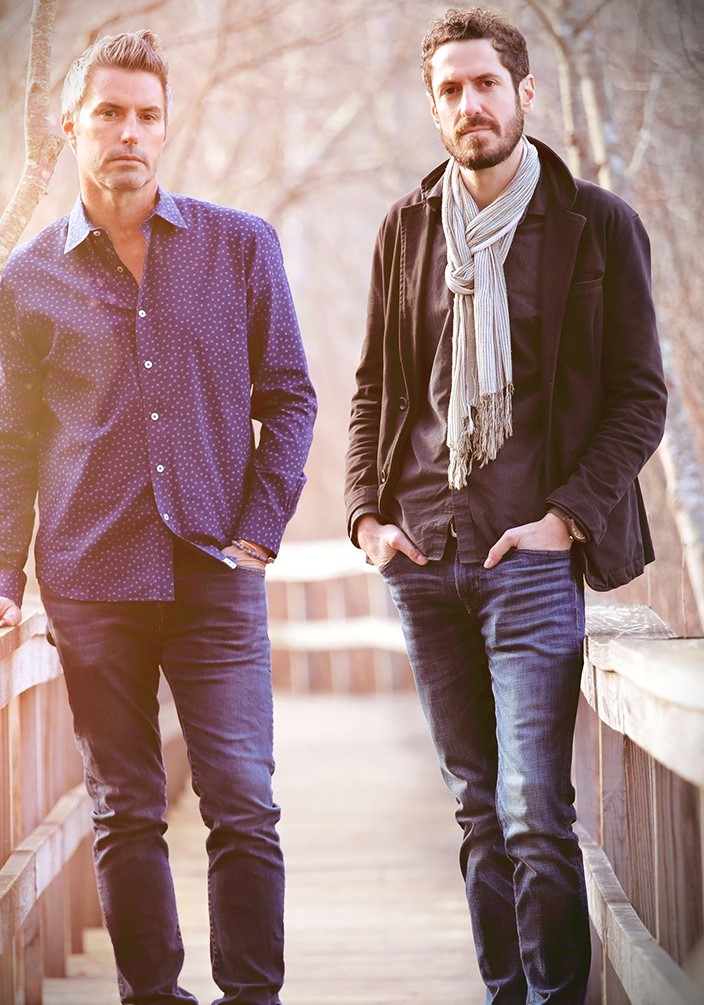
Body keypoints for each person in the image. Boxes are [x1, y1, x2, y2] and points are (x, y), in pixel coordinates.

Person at [0, 29, 316, 1005]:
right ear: (72, 125)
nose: (128, 133)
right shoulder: (30, 280)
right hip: (88, 583)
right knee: (124, 807)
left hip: (214, 574)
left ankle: (252, 997)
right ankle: (153, 996)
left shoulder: (240, 246)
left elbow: (290, 396)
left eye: (146, 115)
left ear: (166, 126)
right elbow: (4, 443)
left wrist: (259, 529)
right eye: (108, 113)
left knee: (243, 801)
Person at [344, 7, 666, 1003]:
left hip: (531, 561)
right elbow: (371, 389)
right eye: (450, 89)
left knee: (534, 813)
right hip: (423, 561)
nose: (469, 104)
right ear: (433, 106)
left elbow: (640, 397)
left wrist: (566, 518)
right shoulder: (405, 228)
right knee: (477, 813)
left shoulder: (595, 224)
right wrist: (368, 519)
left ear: (527, 94)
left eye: (487, 84)